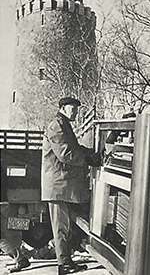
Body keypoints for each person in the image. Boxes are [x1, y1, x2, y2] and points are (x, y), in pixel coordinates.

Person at [41, 97, 101, 275]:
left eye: (76, 109)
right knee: (60, 228)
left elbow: (74, 147)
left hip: (62, 185)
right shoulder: (57, 125)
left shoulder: (63, 124)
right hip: (58, 186)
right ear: (62, 108)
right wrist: (87, 159)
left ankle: (66, 262)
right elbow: (66, 153)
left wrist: (89, 153)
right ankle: (64, 265)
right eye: (72, 109)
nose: (75, 112)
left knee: (64, 227)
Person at [0, 204, 30, 273]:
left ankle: (20, 259)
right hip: (11, 205)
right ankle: (20, 258)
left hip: (6, 206)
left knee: (4, 238)